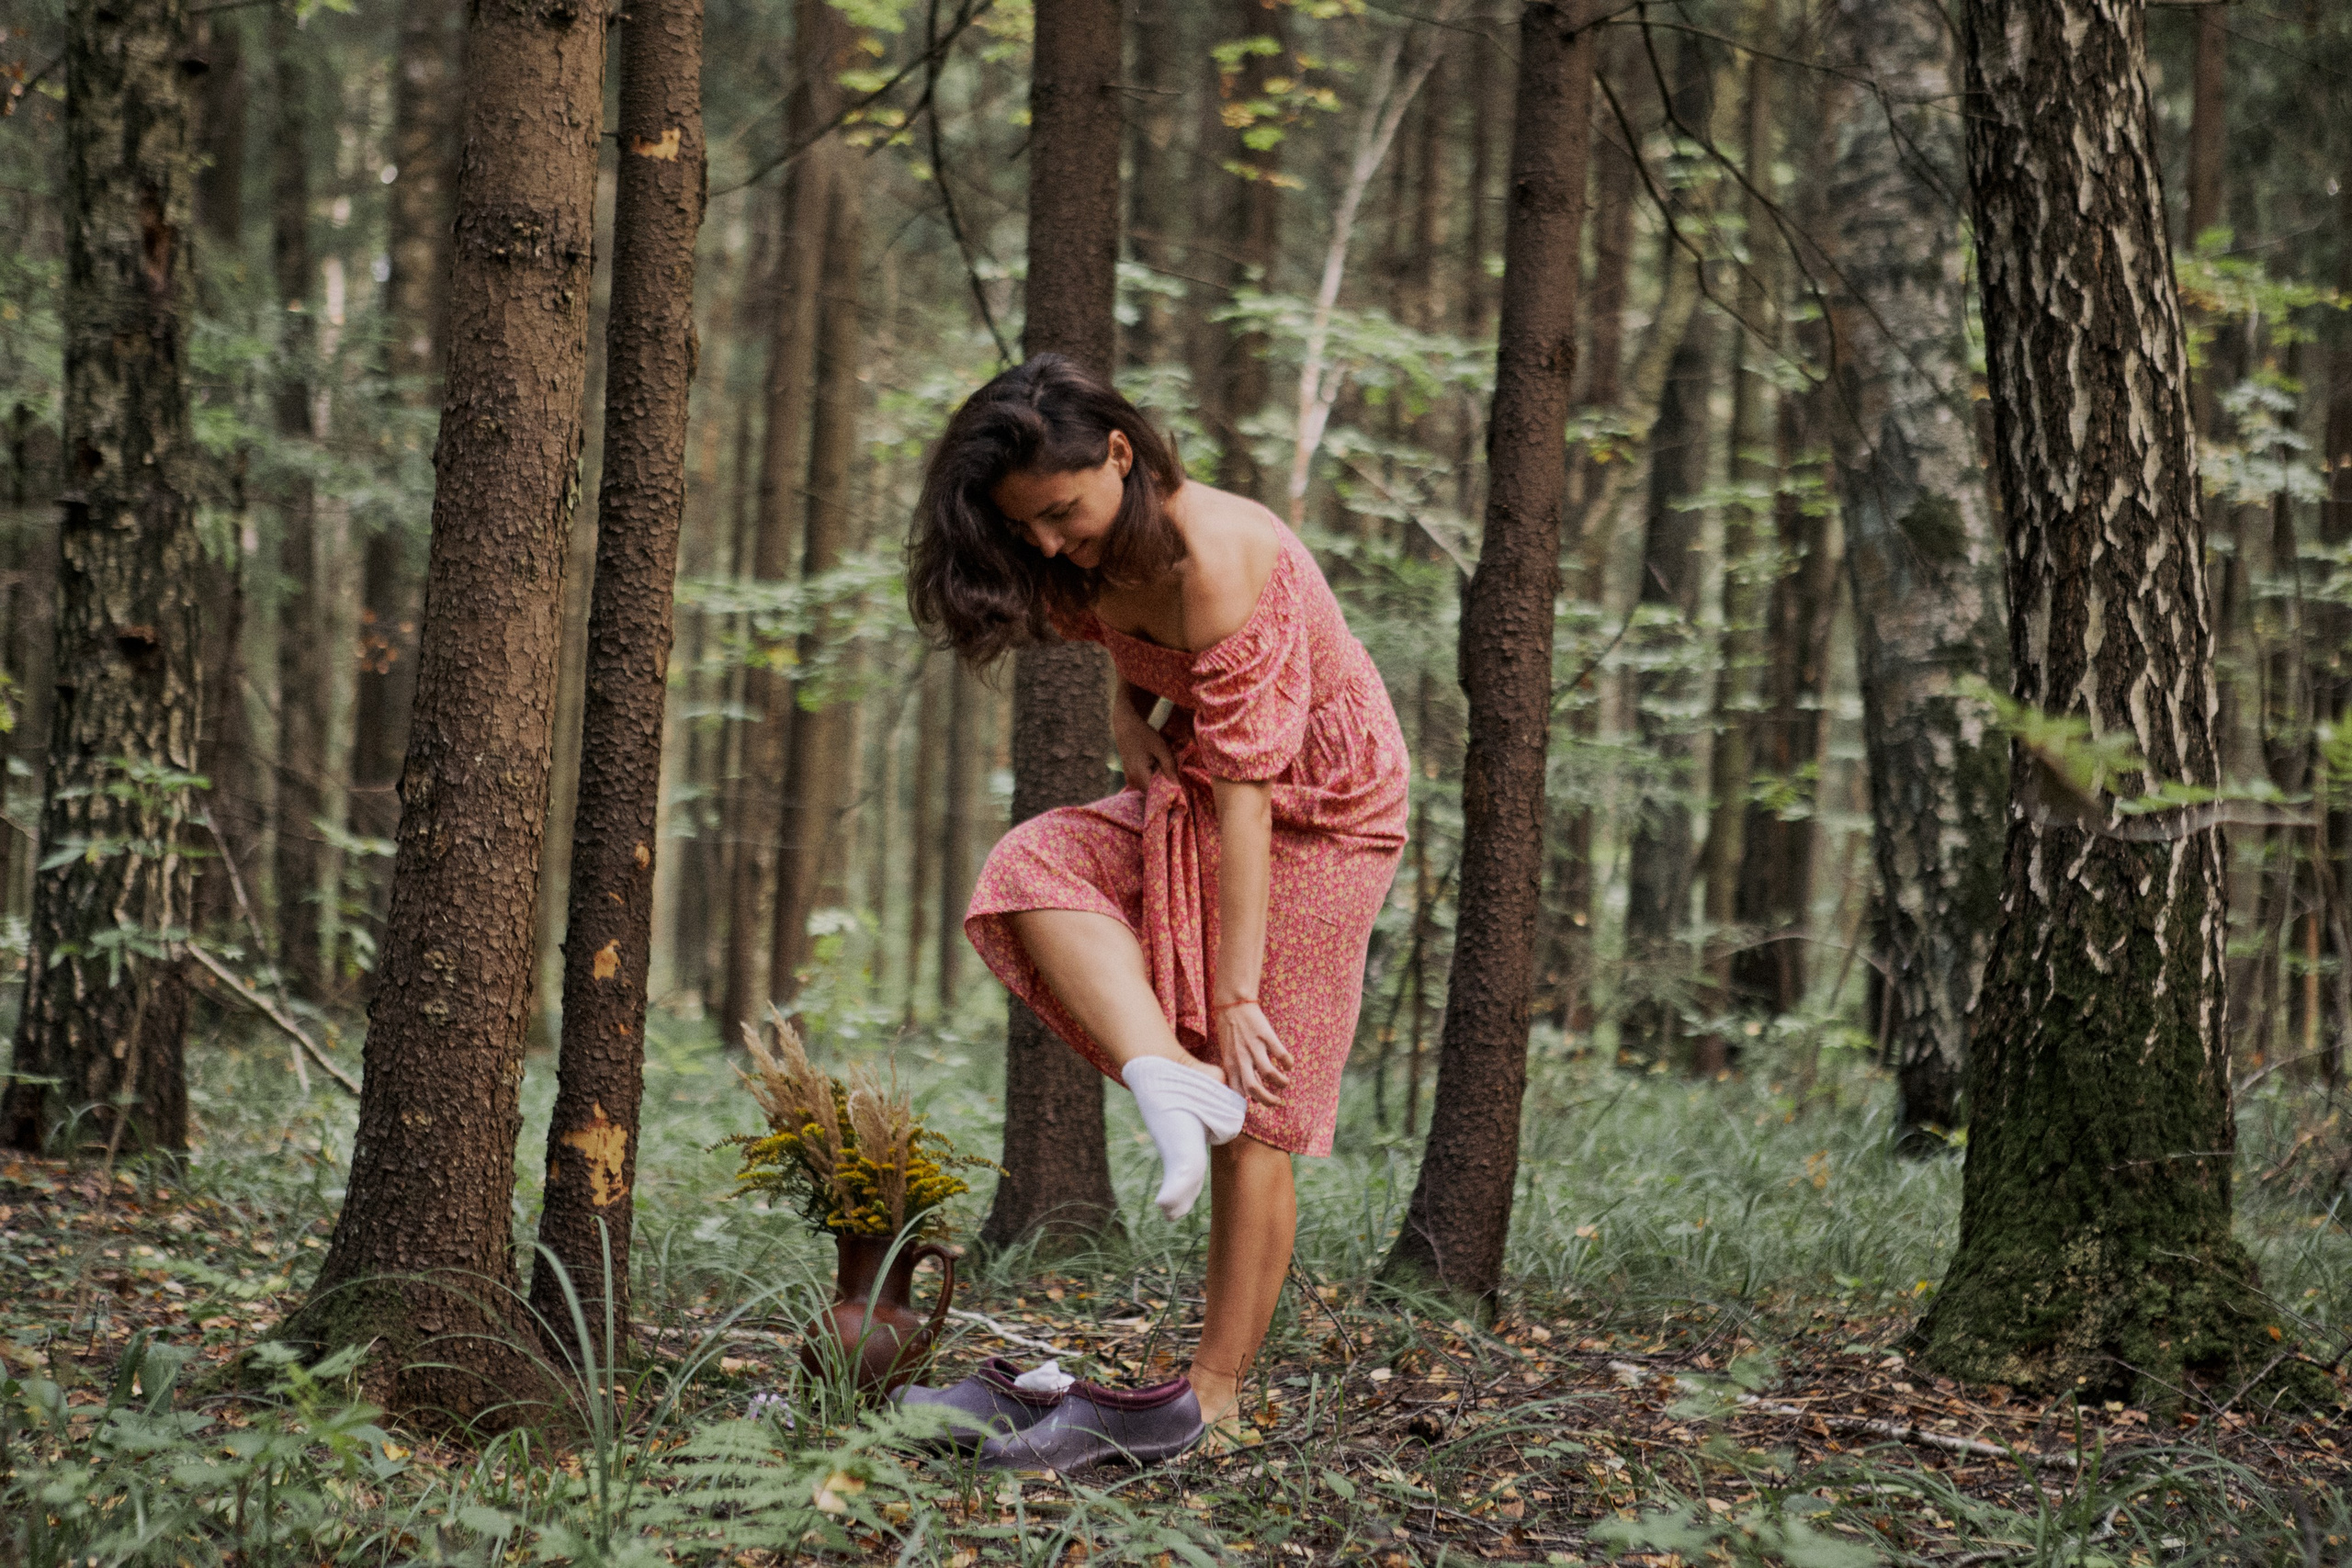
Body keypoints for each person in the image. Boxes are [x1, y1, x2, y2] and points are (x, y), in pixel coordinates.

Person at [903, 354, 1408, 1466]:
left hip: (1323, 805)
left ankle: (1212, 1398)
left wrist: (1233, 994)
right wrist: (1129, 711)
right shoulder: (1076, 551)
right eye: (1024, 525)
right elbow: (1123, 637)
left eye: (1059, 513)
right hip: (1211, 776)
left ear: (1121, 456)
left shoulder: (1221, 555)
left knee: (1258, 1110)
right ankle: (1165, 1076)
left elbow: (1250, 799)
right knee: (1034, 865)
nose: (1046, 544)